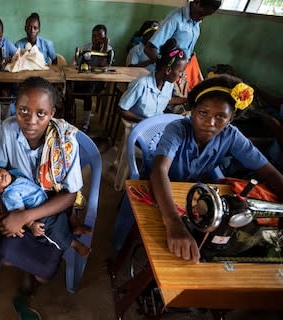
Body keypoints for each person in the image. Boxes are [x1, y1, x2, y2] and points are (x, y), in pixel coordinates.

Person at [150, 75, 283, 263]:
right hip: (157, 190)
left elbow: (268, 171)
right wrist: (173, 221)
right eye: (203, 113)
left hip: (190, 194)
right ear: (192, 110)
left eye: (220, 116)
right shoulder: (178, 129)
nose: (210, 123)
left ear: (231, 119)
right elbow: (159, 171)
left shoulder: (231, 135)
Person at [0, 76, 83, 296]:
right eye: (23, 111)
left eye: (41, 114)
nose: (31, 120)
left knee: (44, 276)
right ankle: (25, 268)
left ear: (52, 113)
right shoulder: (8, 130)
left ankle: (32, 270)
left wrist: (25, 218)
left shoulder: (65, 142)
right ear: (15, 108)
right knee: (4, 256)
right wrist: (11, 214)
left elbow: (70, 195)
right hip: (18, 202)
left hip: (52, 210)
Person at [0, 167, 90, 256]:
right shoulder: (9, 195)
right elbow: (19, 214)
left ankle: (76, 225)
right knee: (55, 233)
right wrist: (32, 225)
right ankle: (75, 244)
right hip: (39, 218)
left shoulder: (14, 173)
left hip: (46, 200)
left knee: (66, 206)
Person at [119, 39, 188, 123]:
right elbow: (122, 109)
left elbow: (165, 100)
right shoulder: (141, 84)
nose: (182, 75)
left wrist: (185, 100)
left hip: (155, 125)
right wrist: (144, 122)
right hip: (139, 127)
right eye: (180, 72)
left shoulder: (168, 85)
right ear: (168, 70)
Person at [144, 0, 222, 64]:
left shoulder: (196, 23)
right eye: (201, 14)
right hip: (164, 75)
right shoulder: (175, 19)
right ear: (197, 3)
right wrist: (164, 67)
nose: (202, 19)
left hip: (177, 74)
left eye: (206, 16)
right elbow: (149, 48)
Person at [73, 24, 114, 132]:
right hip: (84, 79)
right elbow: (76, 62)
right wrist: (75, 62)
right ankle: (70, 117)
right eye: (93, 36)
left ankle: (86, 124)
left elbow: (102, 64)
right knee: (69, 87)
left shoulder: (109, 51)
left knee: (87, 93)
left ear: (105, 38)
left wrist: (105, 45)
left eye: (100, 36)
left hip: (99, 81)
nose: (96, 39)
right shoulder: (87, 47)